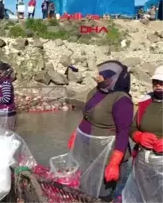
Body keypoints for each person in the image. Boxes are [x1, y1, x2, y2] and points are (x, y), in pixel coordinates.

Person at [67, 60, 133, 201]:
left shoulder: (122, 100)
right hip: (90, 150)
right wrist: (76, 134)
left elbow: (123, 132)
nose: (97, 77)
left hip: (108, 155)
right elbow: (87, 117)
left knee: (103, 195)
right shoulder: (95, 91)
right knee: (85, 189)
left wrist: (114, 163)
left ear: (112, 78)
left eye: (101, 74)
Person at [122, 65, 163, 203]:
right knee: (144, 194)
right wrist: (138, 136)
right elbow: (132, 127)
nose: (158, 85)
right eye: (155, 82)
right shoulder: (145, 103)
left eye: (162, 82)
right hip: (143, 160)